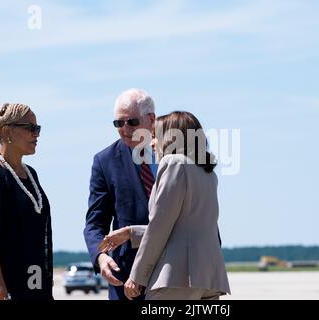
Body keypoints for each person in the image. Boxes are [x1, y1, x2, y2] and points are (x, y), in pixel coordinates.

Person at [99, 111, 231, 300]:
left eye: (154, 136)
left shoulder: (174, 163)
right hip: (208, 279)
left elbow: (160, 227)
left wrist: (137, 276)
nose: (151, 143)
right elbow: (185, 229)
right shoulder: (207, 173)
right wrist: (130, 232)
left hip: (178, 278)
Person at [0, 103, 53, 300]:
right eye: (31, 128)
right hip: (4, 291)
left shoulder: (31, 174)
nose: (37, 134)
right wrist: (1, 293)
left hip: (34, 285)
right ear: (7, 131)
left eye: (38, 128)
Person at [83, 88, 157, 300]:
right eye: (118, 123)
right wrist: (100, 256)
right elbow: (95, 222)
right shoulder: (104, 161)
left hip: (175, 271)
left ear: (151, 119)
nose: (125, 129)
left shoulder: (177, 152)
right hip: (128, 277)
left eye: (132, 122)